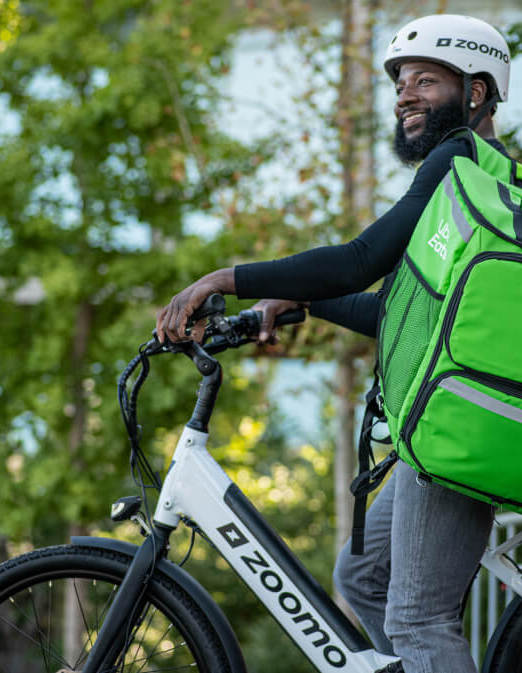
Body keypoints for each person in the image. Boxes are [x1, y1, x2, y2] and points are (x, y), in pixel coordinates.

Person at [156, 15, 512, 673]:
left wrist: (228, 277)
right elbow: (396, 314)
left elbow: (360, 259)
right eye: (401, 83)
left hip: (454, 425)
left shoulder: (458, 158)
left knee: (418, 617)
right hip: (448, 416)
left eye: (426, 80)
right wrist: (303, 301)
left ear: (478, 93)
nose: (405, 95)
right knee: (362, 571)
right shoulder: (488, 183)